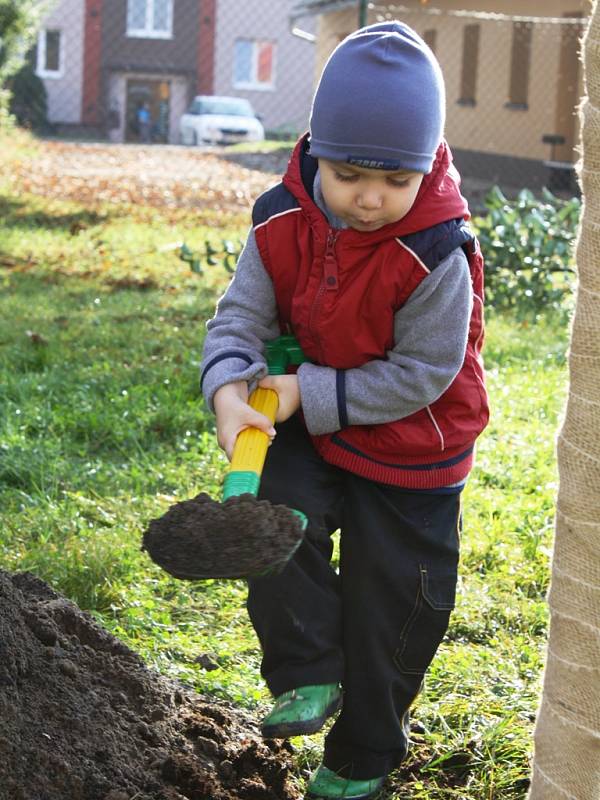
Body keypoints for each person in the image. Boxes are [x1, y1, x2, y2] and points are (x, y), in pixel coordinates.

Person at [200, 21, 489, 800]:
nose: (371, 198)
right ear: (314, 152)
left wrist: (308, 392)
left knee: (394, 603)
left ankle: (363, 752)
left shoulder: (434, 249)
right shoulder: (279, 219)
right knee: (271, 511)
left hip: (413, 441)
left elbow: (425, 373)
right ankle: (305, 670)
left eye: (395, 180)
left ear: (426, 165)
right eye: (351, 173)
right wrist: (230, 388)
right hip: (311, 419)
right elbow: (239, 320)